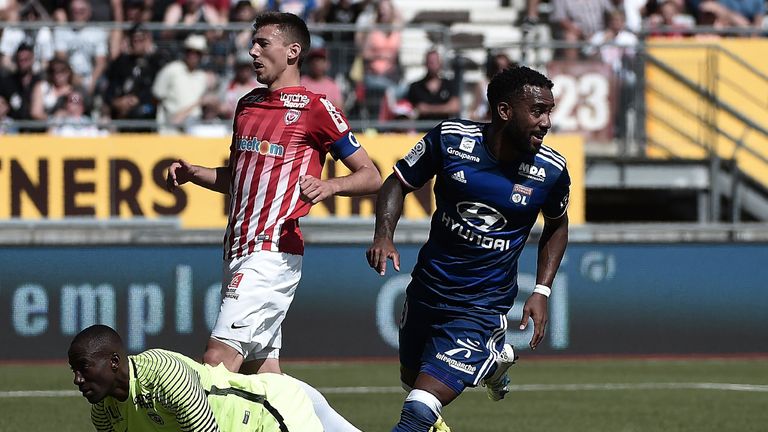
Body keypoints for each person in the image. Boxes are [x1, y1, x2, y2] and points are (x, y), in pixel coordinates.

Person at [166, 11, 380, 430]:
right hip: (238, 250)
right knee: (266, 382)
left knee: (214, 368)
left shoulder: (317, 109)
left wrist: (329, 187)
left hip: (272, 252)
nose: (253, 51)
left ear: (293, 51)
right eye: (253, 42)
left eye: (263, 43)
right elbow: (237, 177)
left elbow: (370, 175)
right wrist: (197, 175)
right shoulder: (247, 105)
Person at [366, 66, 570, 432]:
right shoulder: (451, 139)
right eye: (538, 111)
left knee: (419, 408)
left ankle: (483, 353)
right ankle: (492, 363)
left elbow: (557, 226)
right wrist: (384, 235)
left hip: (481, 306)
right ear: (505, 111)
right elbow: (396, 183)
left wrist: (541, 290)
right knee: (412, 385)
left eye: (549, 112)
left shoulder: (551, 171)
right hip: (427, 291)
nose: (546, 122)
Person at [68, 324, 323, 431]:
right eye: (74, 370)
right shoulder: (103, 411)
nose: (78, 379)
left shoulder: (164, 375)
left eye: (84, 367)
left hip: (270, 412)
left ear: (114, 362)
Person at [151, 33, 215, 134]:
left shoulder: (203, 77)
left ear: (202, 55)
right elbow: (156, 97)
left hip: (195, 129)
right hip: (170, 130)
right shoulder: (171, 70)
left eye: (197, 53)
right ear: (184, 52)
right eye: (190, 51)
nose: (193, 55)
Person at [405, 49, 460, 124]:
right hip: (422, 132)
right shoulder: (415, 87)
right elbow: (409, 110)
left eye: (435, 62)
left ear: (440, 64)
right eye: (430, 62)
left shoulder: (449, 84)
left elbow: (454, 107)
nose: (433, 65)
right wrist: (444, 108)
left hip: (443, 131)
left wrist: (427, 109)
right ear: (425, 64)